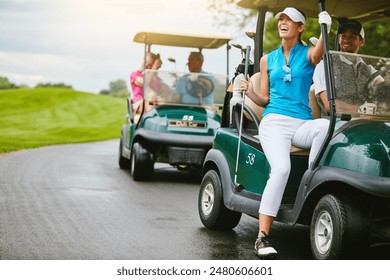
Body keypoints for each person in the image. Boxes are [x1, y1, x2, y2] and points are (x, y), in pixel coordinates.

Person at [240, 7, 331, 258]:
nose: (283, 22)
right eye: (281, 18)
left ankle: (310, 180)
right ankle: (262, 237)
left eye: (289, 19)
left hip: (302, 123)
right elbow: (265, 98)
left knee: (324, 126)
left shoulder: (307, 54)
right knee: (281, 169)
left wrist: (326, 30)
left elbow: (319, 52)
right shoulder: (267, 59)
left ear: (301, 27)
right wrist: (250, 92)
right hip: (275, 122)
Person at [313, 19, 382, 115]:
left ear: (362, 41)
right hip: (336, 123)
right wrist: (360, 110)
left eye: (352, 37)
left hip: (364, 121)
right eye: (343, 36)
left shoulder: (368, 69)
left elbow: (383, 87)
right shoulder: (326, 64)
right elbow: (329, 105)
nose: (346, 40)